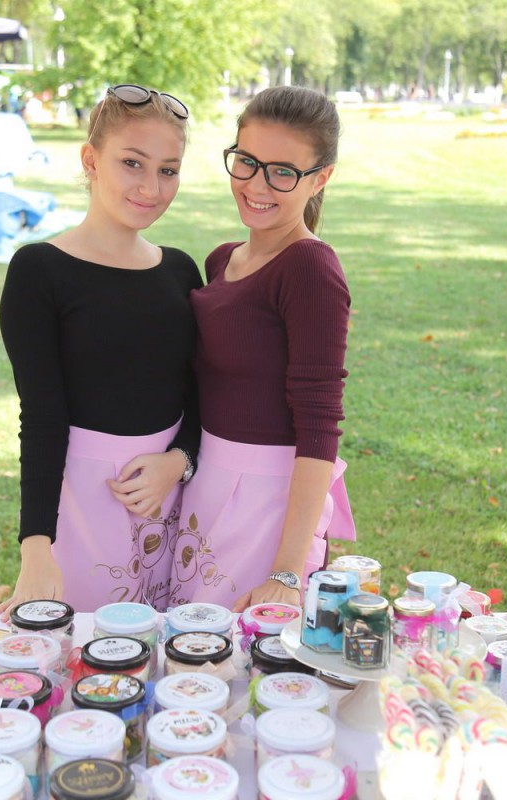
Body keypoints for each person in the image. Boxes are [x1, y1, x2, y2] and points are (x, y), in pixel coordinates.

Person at [0, 84, 199, 614]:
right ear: (91, 160)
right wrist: (37, 547)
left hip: (174, 505)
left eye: (168, 170)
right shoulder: (39, 270)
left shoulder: (180, 271)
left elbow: (201, 394)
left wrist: (178, 462)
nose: (151, 187)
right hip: (83, 504)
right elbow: (41, 415)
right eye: (132, 163)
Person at [169, 86, 354, 611]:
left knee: (238, 644)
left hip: (269, 504)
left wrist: (287, 571)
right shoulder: (221, 260)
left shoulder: (310, 269)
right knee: (187, 641)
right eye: (247, 161)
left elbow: (319, 426)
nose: (256, 185)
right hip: (205, 488)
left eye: (282, 172)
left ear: (320, 178)